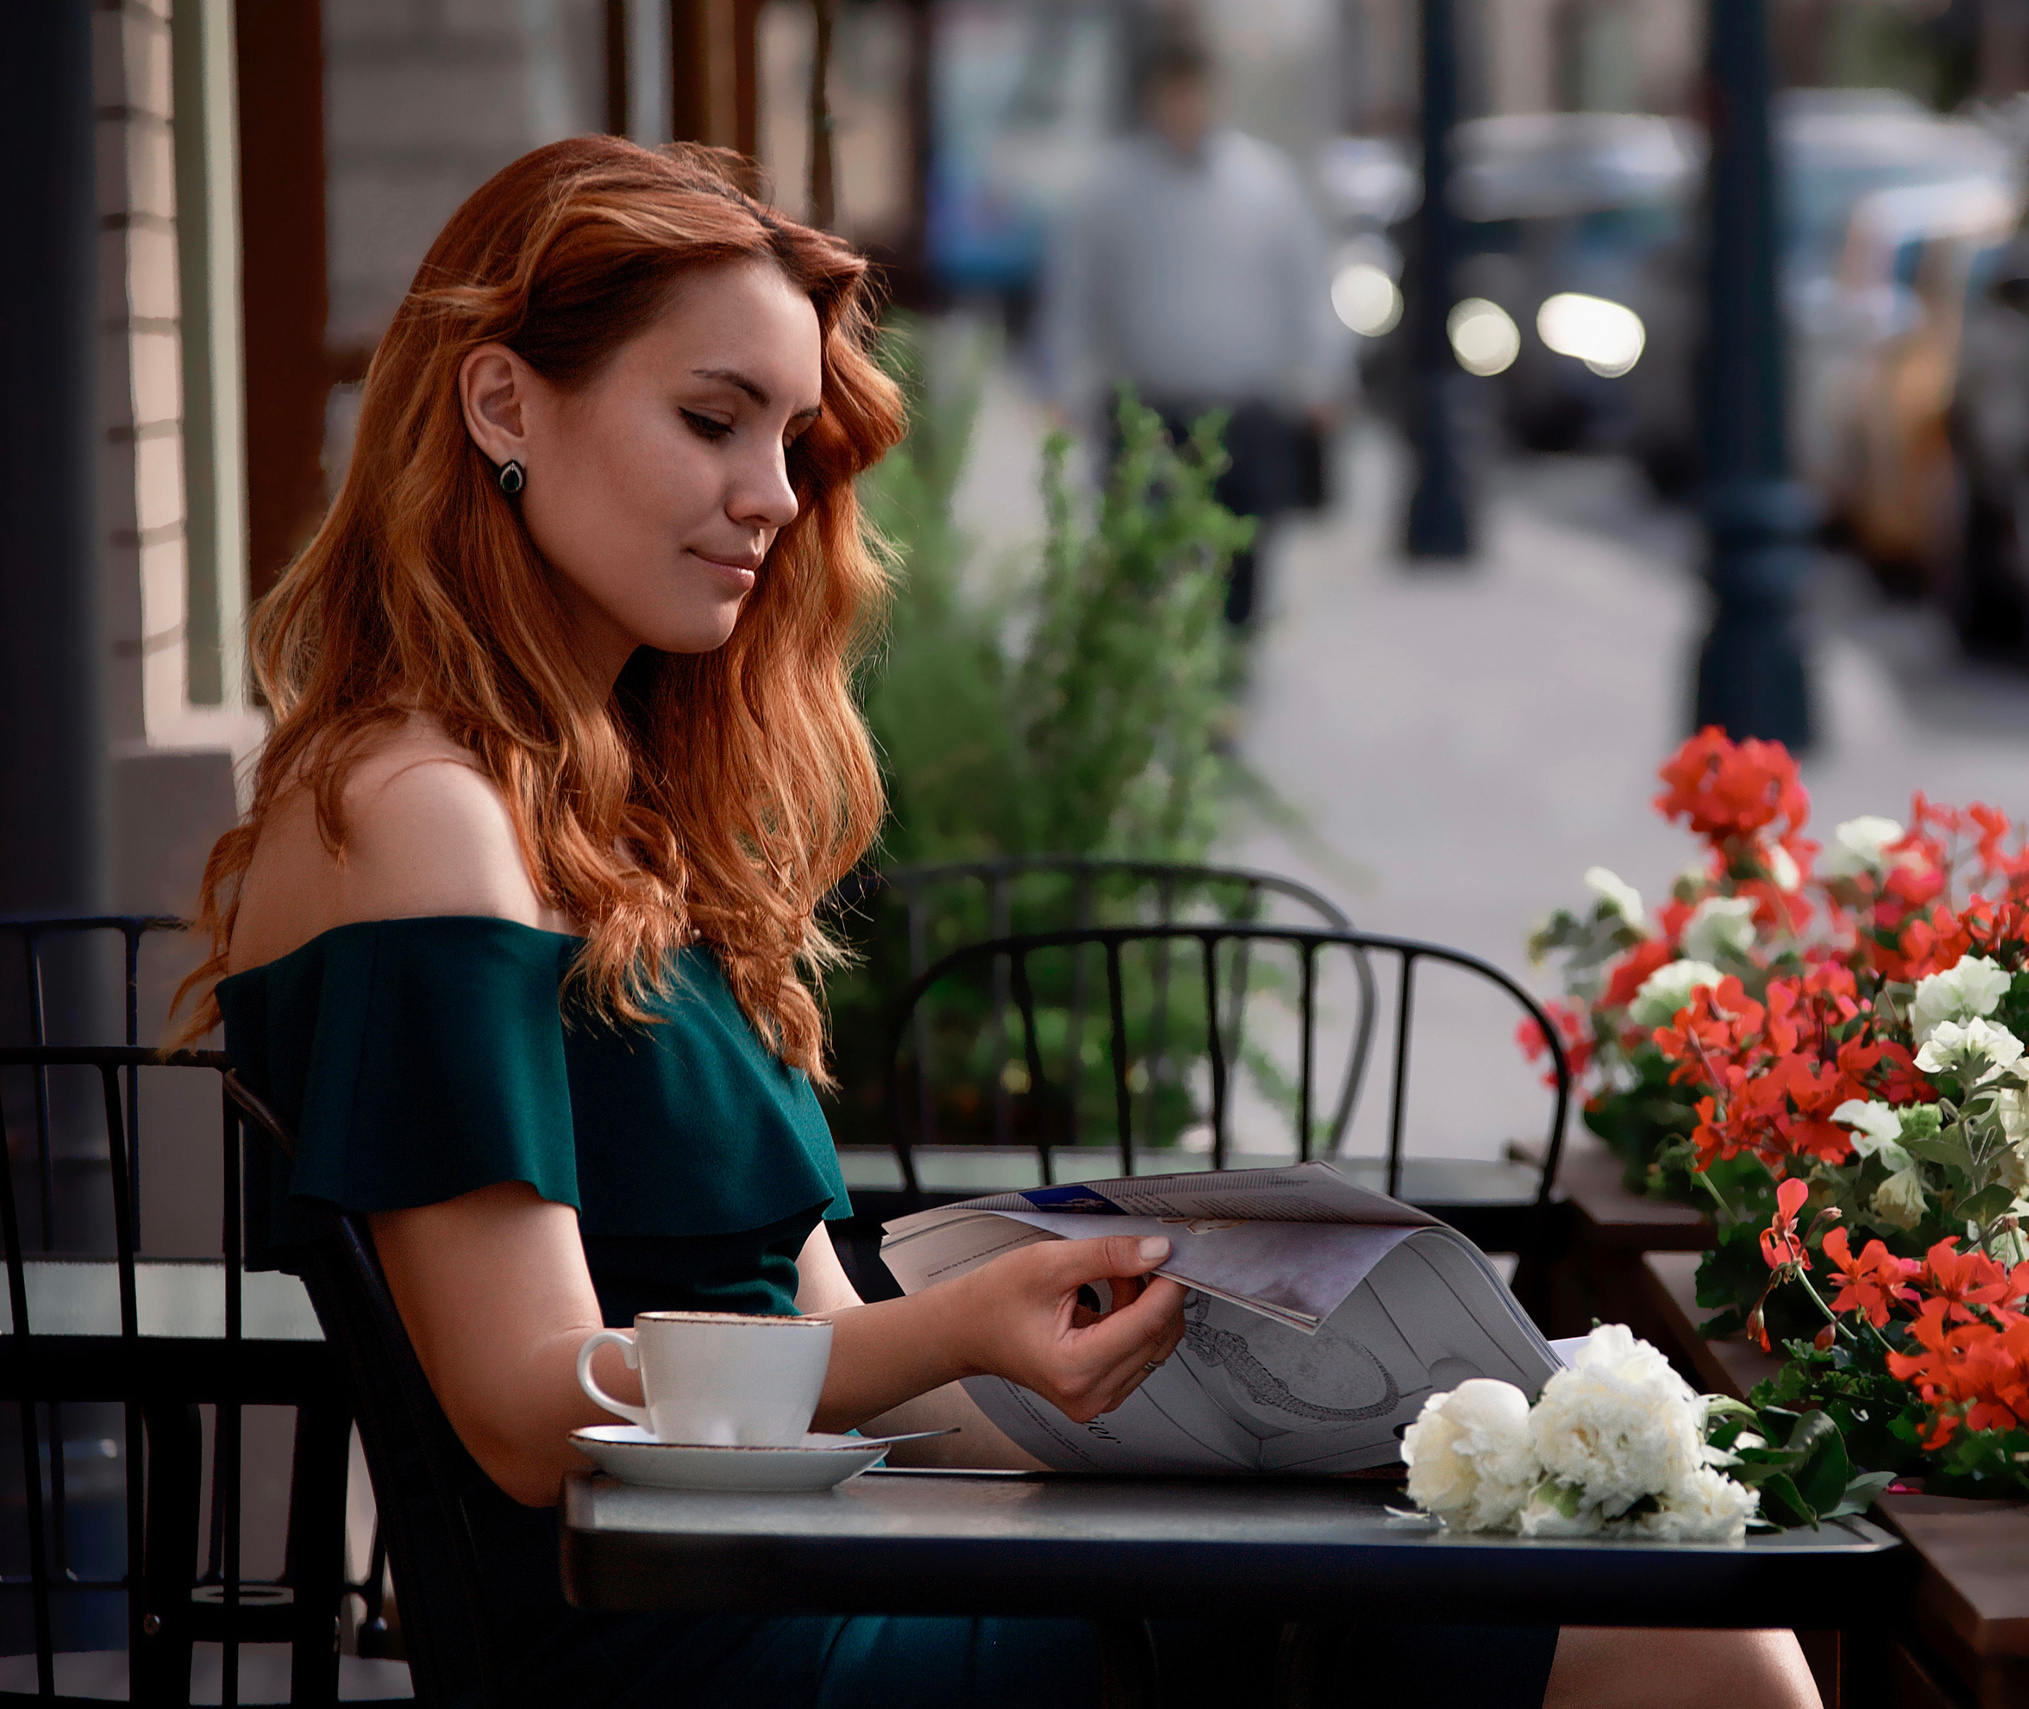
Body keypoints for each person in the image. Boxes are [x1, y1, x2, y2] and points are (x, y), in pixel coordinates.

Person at [174, 137, 1816, 1709]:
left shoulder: (605, 831)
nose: (766, 494)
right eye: (711, 419)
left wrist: (1218, 1381)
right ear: (503, 398)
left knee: (1661, 1593)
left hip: (806, 1571)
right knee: (1681, 1639)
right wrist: (956, 1325)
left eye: (793, 443)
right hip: (699, 1646)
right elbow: (530, 1406)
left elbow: (818, 1341)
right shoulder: (420, 813)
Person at [1039, 35, 1349, 630]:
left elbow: (1305, 286)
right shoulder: (1111, 191)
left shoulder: (1266, 184)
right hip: (1146, 416)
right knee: (1141, 573)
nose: (1187, 109)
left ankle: (1225, 697)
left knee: (1243, 568)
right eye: (1174, 95)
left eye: (1196, 94)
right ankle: (1157, 701)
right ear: (1153, 100)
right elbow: (1073, 296)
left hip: (1245, 413)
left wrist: (1324, 379)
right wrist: (1061, 385)